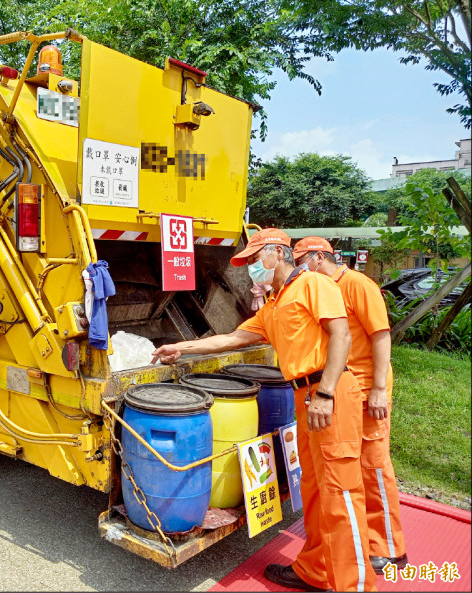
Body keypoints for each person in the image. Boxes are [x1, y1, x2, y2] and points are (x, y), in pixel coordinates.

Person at [152, 228, 376, 592]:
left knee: (341, 494)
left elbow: (341, 335)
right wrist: (183, 347)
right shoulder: (275, 305)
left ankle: (357, 586)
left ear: (277, 253)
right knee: (317, 491)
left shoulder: (313, 285)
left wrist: (327, 393)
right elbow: (232, 338)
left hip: (329, 395)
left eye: (256, 259)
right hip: (304, 398)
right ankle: (316, 571)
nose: (252, 268)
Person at [294, 236, 407, 573]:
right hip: (343, 390)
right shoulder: (320, 289)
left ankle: (389, 548)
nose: (298, 269)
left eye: (299, 260)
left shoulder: (357, 284)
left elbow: (381, 335)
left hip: (368, 389)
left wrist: (378, 388)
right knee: (350, 470)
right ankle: (358, 545)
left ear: (317, 257)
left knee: (373, 467)